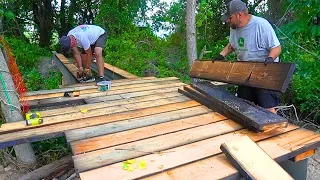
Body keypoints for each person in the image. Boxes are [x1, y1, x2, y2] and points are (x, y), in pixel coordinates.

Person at [214, 0, 282, 114]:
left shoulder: (261, 25)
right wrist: (221, 55)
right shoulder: (234, 28)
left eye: (230, 18)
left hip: (265, 71)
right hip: (246, 71)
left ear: (239, 15)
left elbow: (277, 47)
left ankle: (274, 129)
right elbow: (232, 44)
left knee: (267, 108)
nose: (228, 21)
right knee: (243, 104)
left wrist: (270, 59)